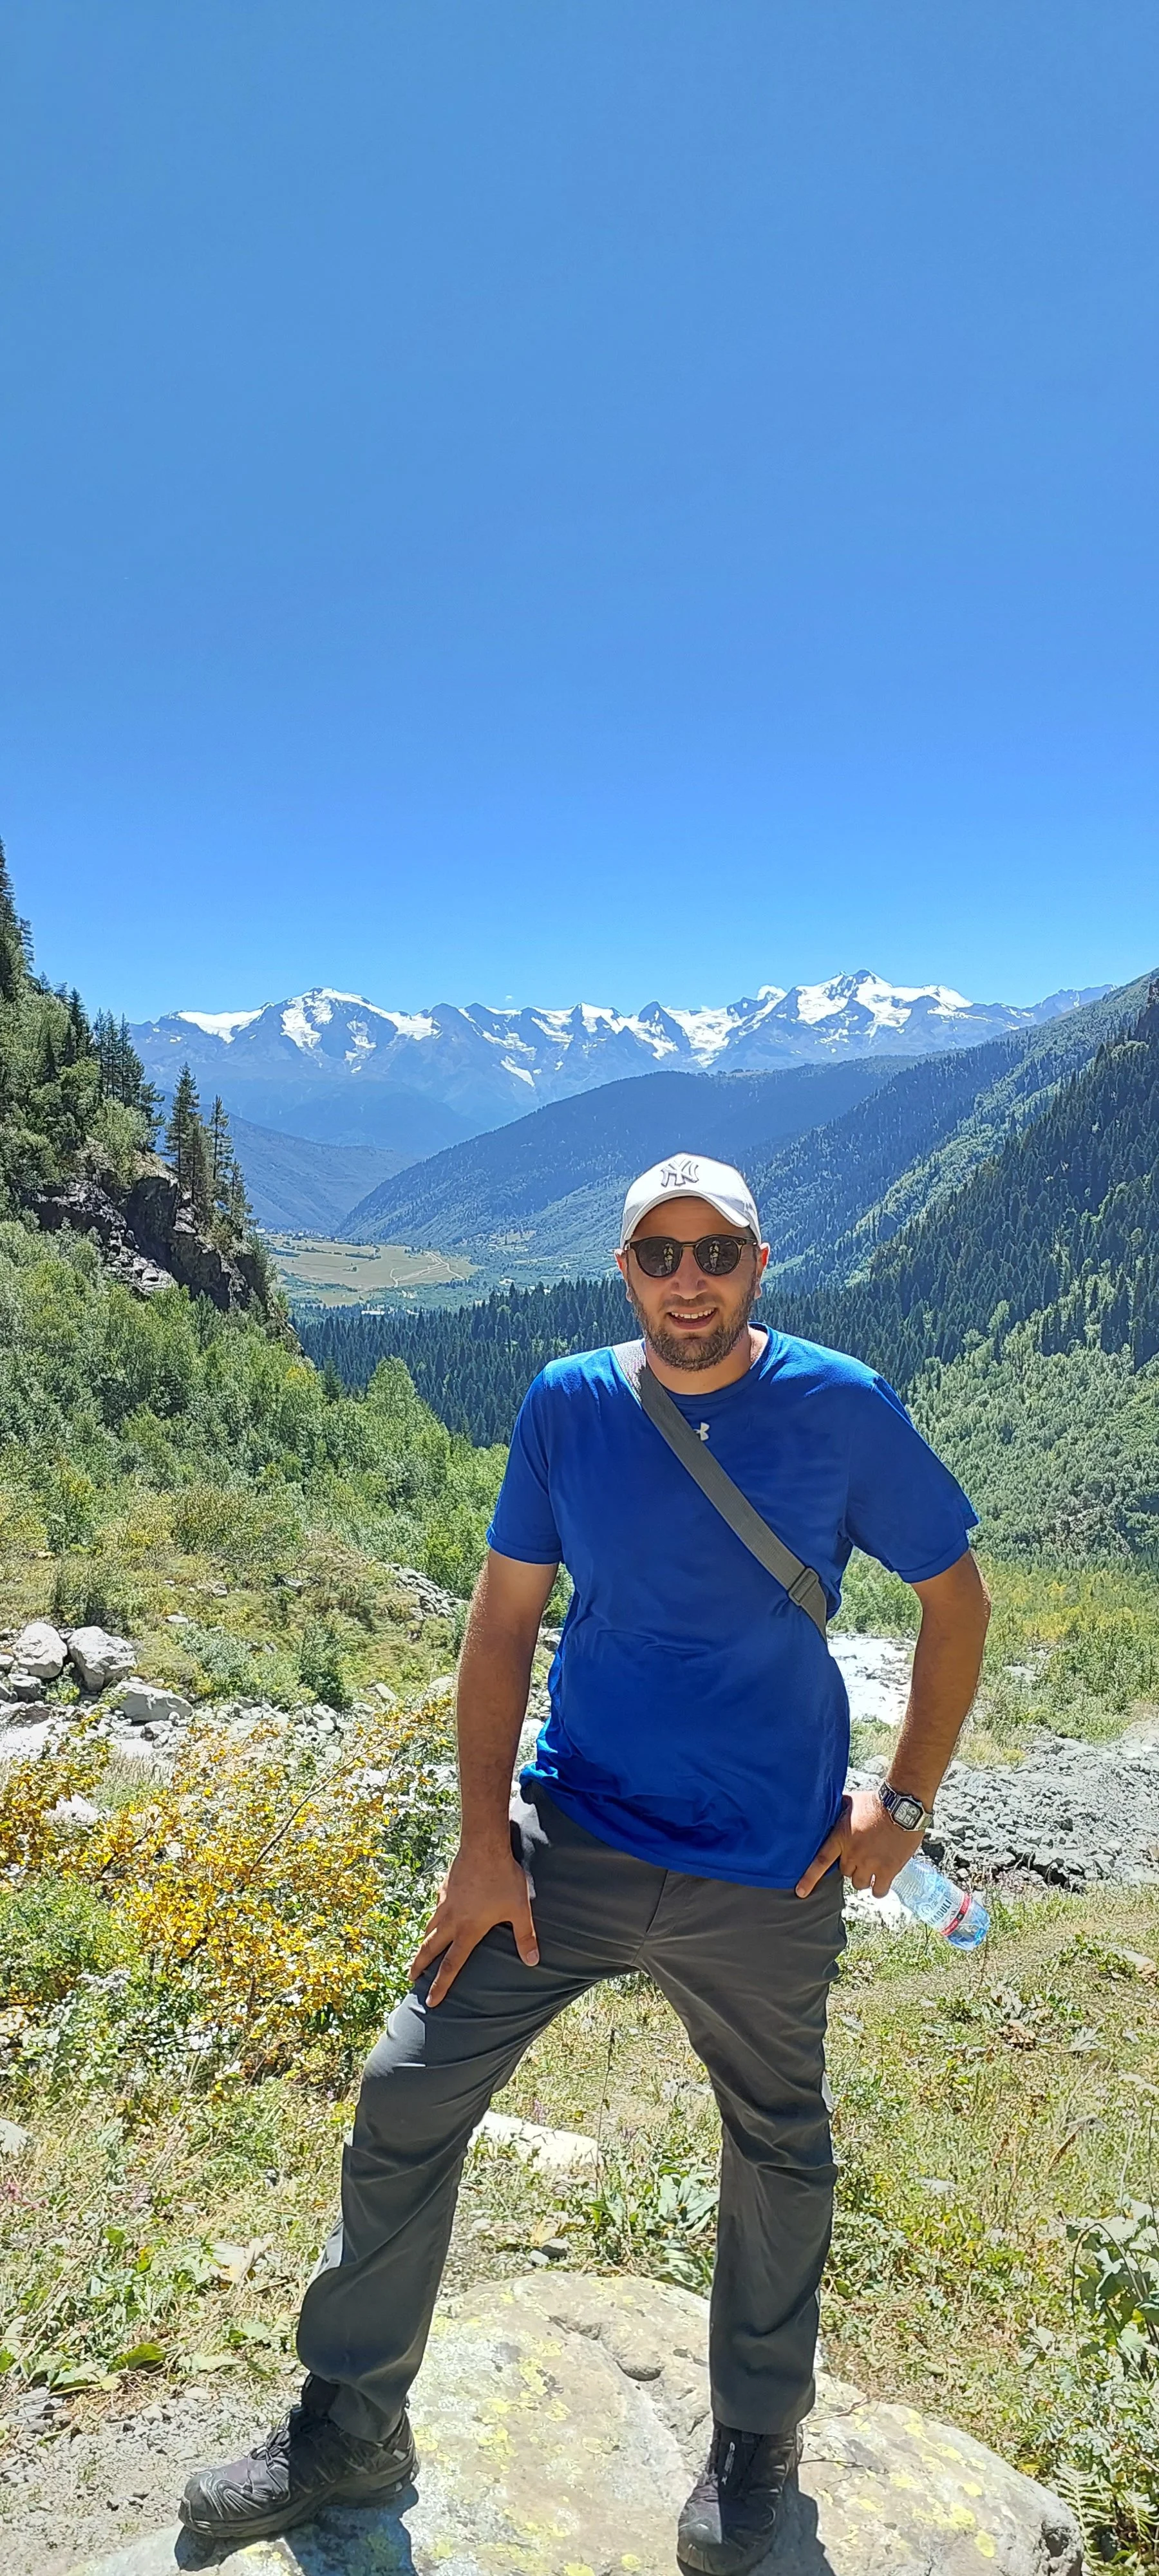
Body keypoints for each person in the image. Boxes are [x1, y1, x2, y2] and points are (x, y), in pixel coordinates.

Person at [181, 1151, 990, 2574]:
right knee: (407, 2087)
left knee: (779, 2142)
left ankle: (756, 2442)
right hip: (573, 1837)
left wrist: (903, 1812)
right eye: (661, 1255)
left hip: (772, 1861)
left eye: (718, 1253)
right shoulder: (568, 1400)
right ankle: (350, 2423)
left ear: (758, 1261)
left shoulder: (842, 1404)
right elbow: (501, 1624)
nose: (691, 1282)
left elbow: (955, 1603)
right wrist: (482, 1844)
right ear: (624, 1270)